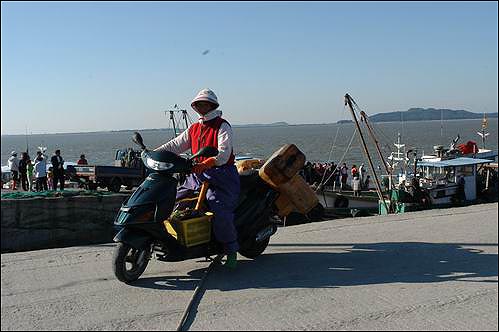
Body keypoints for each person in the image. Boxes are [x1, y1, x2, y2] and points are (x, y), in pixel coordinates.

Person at [155, 88, 240, 269]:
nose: (201, 107)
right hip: (197, 175)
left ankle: (231, 249)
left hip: (221, 175)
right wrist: (154, 154)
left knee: (218, 207)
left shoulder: (223, 125)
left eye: (204, 103)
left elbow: (223, 155)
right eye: (198, 104)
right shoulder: (194, 128)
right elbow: (176, 145)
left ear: (212, 105)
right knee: (174, 200)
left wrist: (207, 163)